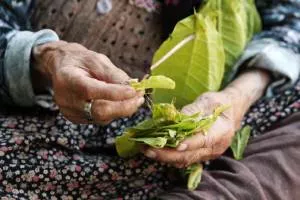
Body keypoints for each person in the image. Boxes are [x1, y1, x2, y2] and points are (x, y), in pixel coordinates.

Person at [0, 0, 299, 199]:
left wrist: (234, 101)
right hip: (38, 120)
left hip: (191, 128)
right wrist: (45, 59)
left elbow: (290, 23)